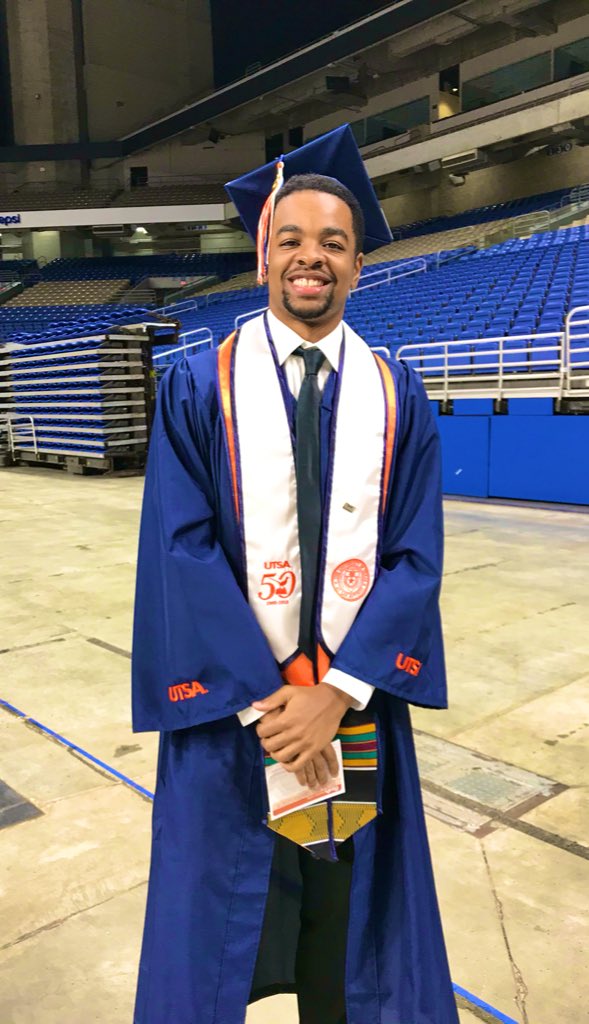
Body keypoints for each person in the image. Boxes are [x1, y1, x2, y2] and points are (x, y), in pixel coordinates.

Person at [131, 125, 459, 1024]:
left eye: (334, 243)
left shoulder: (397, 394)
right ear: (260, 258)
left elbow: (414, 556)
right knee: (216, 926)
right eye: (291, 240)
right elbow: (180, 546)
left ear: (356, 267)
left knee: (344, 928)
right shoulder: (199, 385)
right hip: (234, 713)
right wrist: (269, 704)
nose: (310, 259)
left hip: (352, 710)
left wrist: (338, 691)